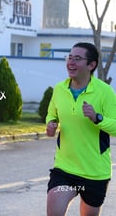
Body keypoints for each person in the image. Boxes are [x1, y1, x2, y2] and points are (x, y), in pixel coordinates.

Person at [45, 42, 116, 216]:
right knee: (54, 206)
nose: (71, 62)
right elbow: (51, 114)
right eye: (69, 57)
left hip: (94, 172)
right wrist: (51, 124)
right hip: (65, 168)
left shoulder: (105, 92)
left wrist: (97, 118)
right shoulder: (60, 89)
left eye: (77, 59)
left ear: (91, 65)